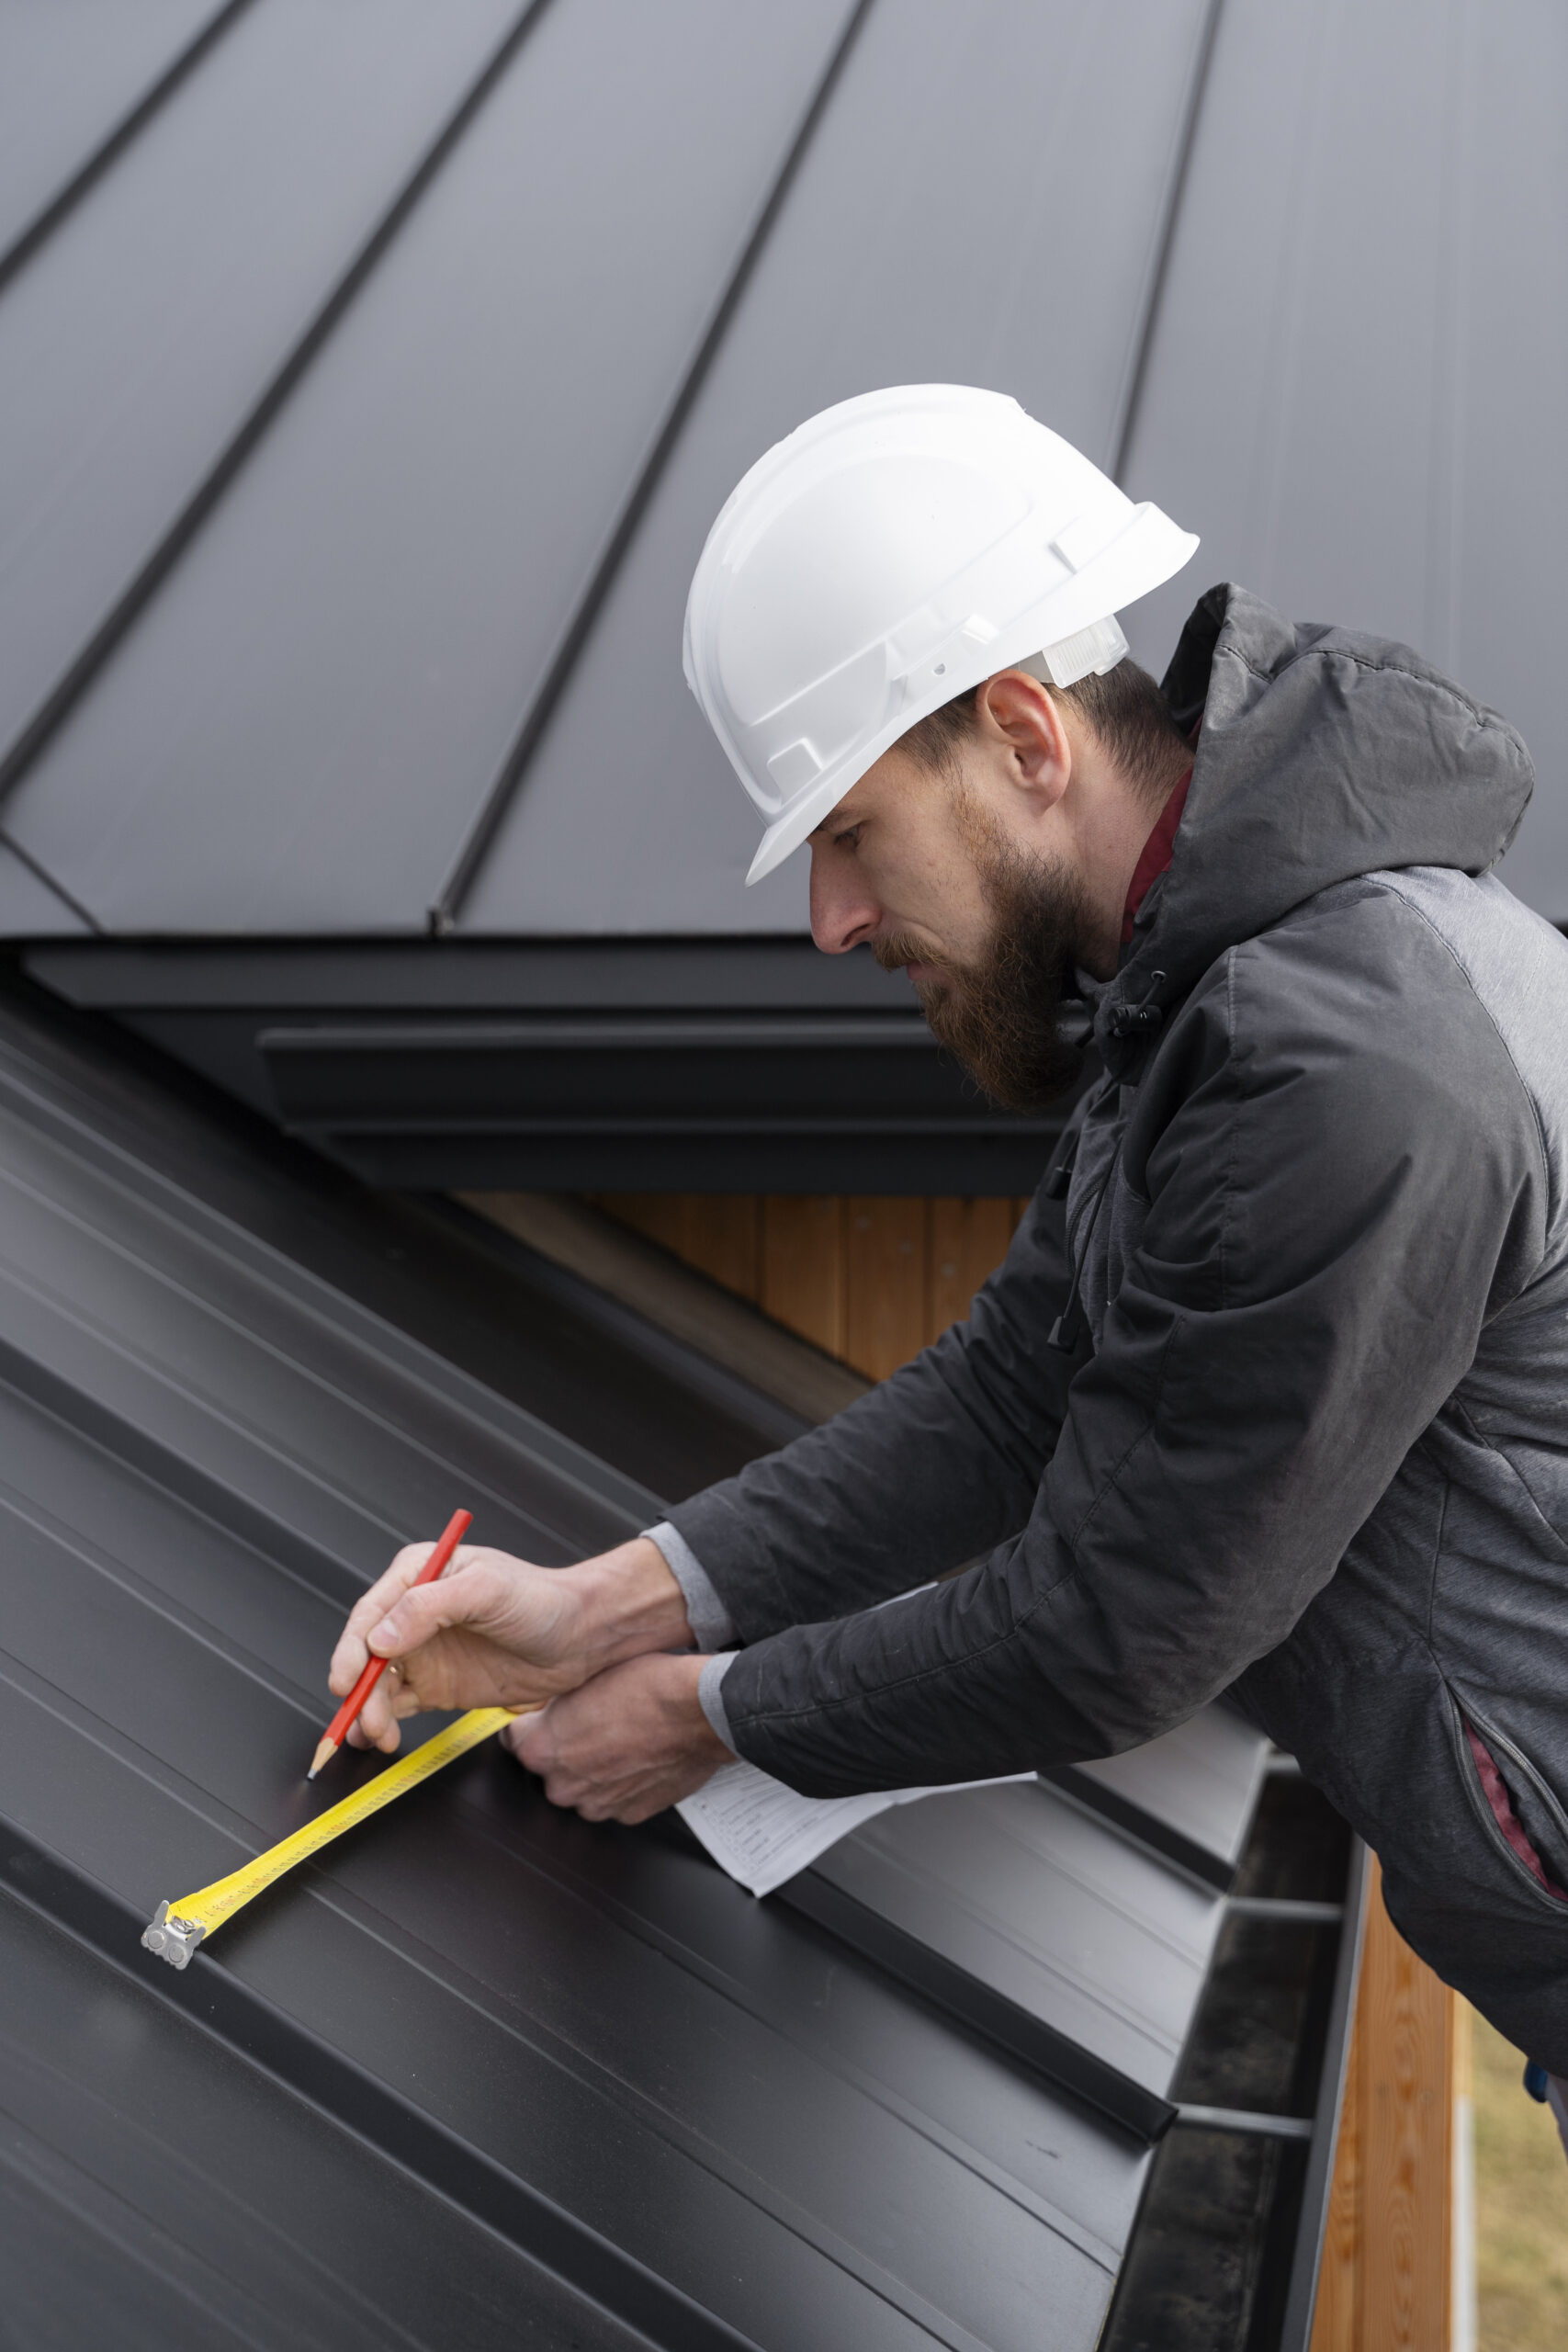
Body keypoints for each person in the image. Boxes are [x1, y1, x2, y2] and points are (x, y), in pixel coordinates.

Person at [328, 386, 1568, 2089]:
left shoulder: (1353, 1061)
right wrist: (606, 1610)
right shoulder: (1215, 982)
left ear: (1023, 738)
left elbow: (1120, 1627)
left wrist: (703, 1719)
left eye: (850, 835)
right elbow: (1013, 1394)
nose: (833, 922)